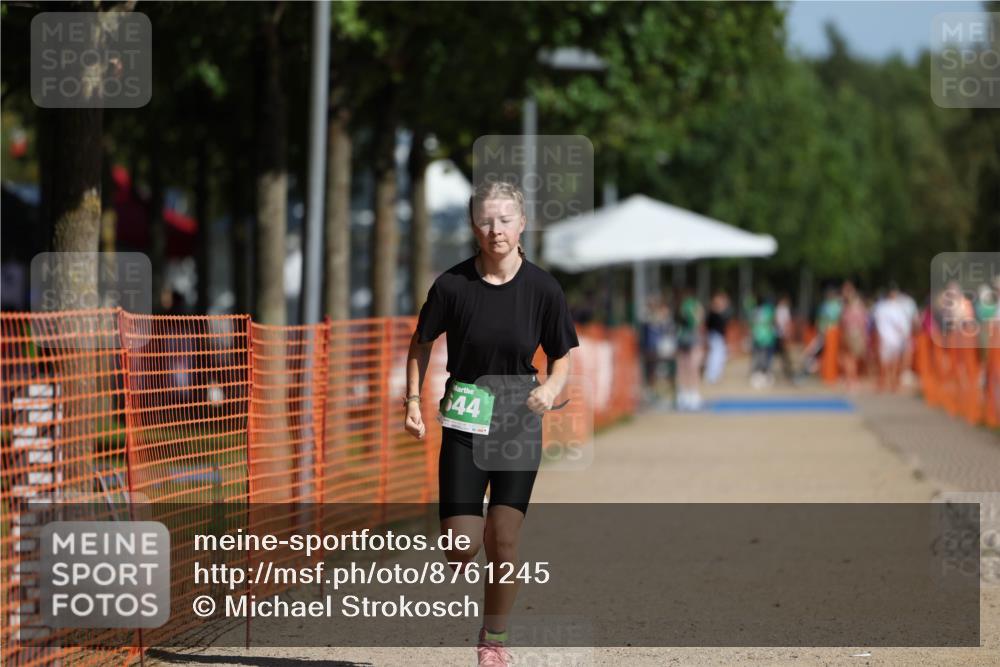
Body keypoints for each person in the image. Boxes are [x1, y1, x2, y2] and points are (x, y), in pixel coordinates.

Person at [404, 181, 579, 667]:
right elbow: (420, 343)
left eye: (505, 219)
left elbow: (562, 358)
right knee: (461, 546)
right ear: (473, 226)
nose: (495, 229)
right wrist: (411, 401)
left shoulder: (543, 288)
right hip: (465, 417)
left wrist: (548, 389)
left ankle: (493, 641)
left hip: (518, 421)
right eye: (486, 220)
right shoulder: (452, 286)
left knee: (503, 539)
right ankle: (471, 519)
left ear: (522, 224)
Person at [872, 284, 911, 392]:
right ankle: (886, 382)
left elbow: (903, 324)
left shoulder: (896, 307)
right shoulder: (884, 307)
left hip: (893, 338)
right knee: (887, 362)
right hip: (888, 338)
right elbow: (878, 323)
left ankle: (890, 382)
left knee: (891, 361)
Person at [675, 289, 705, 410]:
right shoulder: (691, 305)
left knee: (685, 367)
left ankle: (687, 394)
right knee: (690, 367)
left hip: (685, 337)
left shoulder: (685, 305)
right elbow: (698, 320)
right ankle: (689, 394)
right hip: (688, 338)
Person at [839, 282, 868, 391]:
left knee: (849, 358)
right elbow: (863, 321)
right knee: (850, 358)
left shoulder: (848, 306)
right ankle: (852, 380)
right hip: (853, 333)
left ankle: (851, 380)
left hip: (851, 332)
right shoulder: (853, 305)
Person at [703, 290, 731, 384]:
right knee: (714, 355)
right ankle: (711, 375)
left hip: (718, 336)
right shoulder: (713, 313)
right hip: (715, 336)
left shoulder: (718, 313)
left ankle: (715, 375)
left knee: (720, 356)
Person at [749, 294, 777, 389]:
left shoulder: (755, 311)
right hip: (767, 338)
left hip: (757, 337)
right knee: (766, 358)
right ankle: (764, 375)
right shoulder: (769, 310)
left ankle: (757, 375)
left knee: (758, 357)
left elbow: (752, 324)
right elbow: (772, 322)